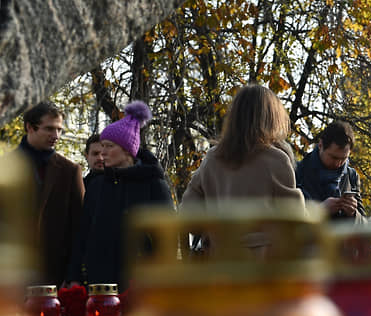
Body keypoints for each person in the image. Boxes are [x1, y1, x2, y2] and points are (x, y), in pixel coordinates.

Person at [66, 101, 172, 291]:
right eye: (101, 147)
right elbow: (83, 234)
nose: (103, 153)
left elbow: (166, 239)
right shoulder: (97, 185)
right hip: (100, 285)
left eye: (108, 146)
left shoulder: (154, 185)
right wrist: (74, 276)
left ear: (126, 150)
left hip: (141, 285)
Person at [182, 84, 304, 208]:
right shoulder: (276, 161)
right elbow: (295, 219)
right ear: (271, 118)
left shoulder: (212, 158)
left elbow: (187, 210)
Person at [15, 102, 84, 286]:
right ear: (30, 127)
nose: (56, 136)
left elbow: (79, 229)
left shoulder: (70, 171)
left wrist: (73, 277)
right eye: (49, 129)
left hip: (53, 277)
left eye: (60, 130)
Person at [296, 120, 365, 221]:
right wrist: (319, 211)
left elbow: (364, 226)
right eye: (334, 157)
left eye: (344, 159)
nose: (338, 163)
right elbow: (287, 219)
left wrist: (353, 214)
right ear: (320, 145)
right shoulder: (297, 172)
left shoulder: (351, 176)